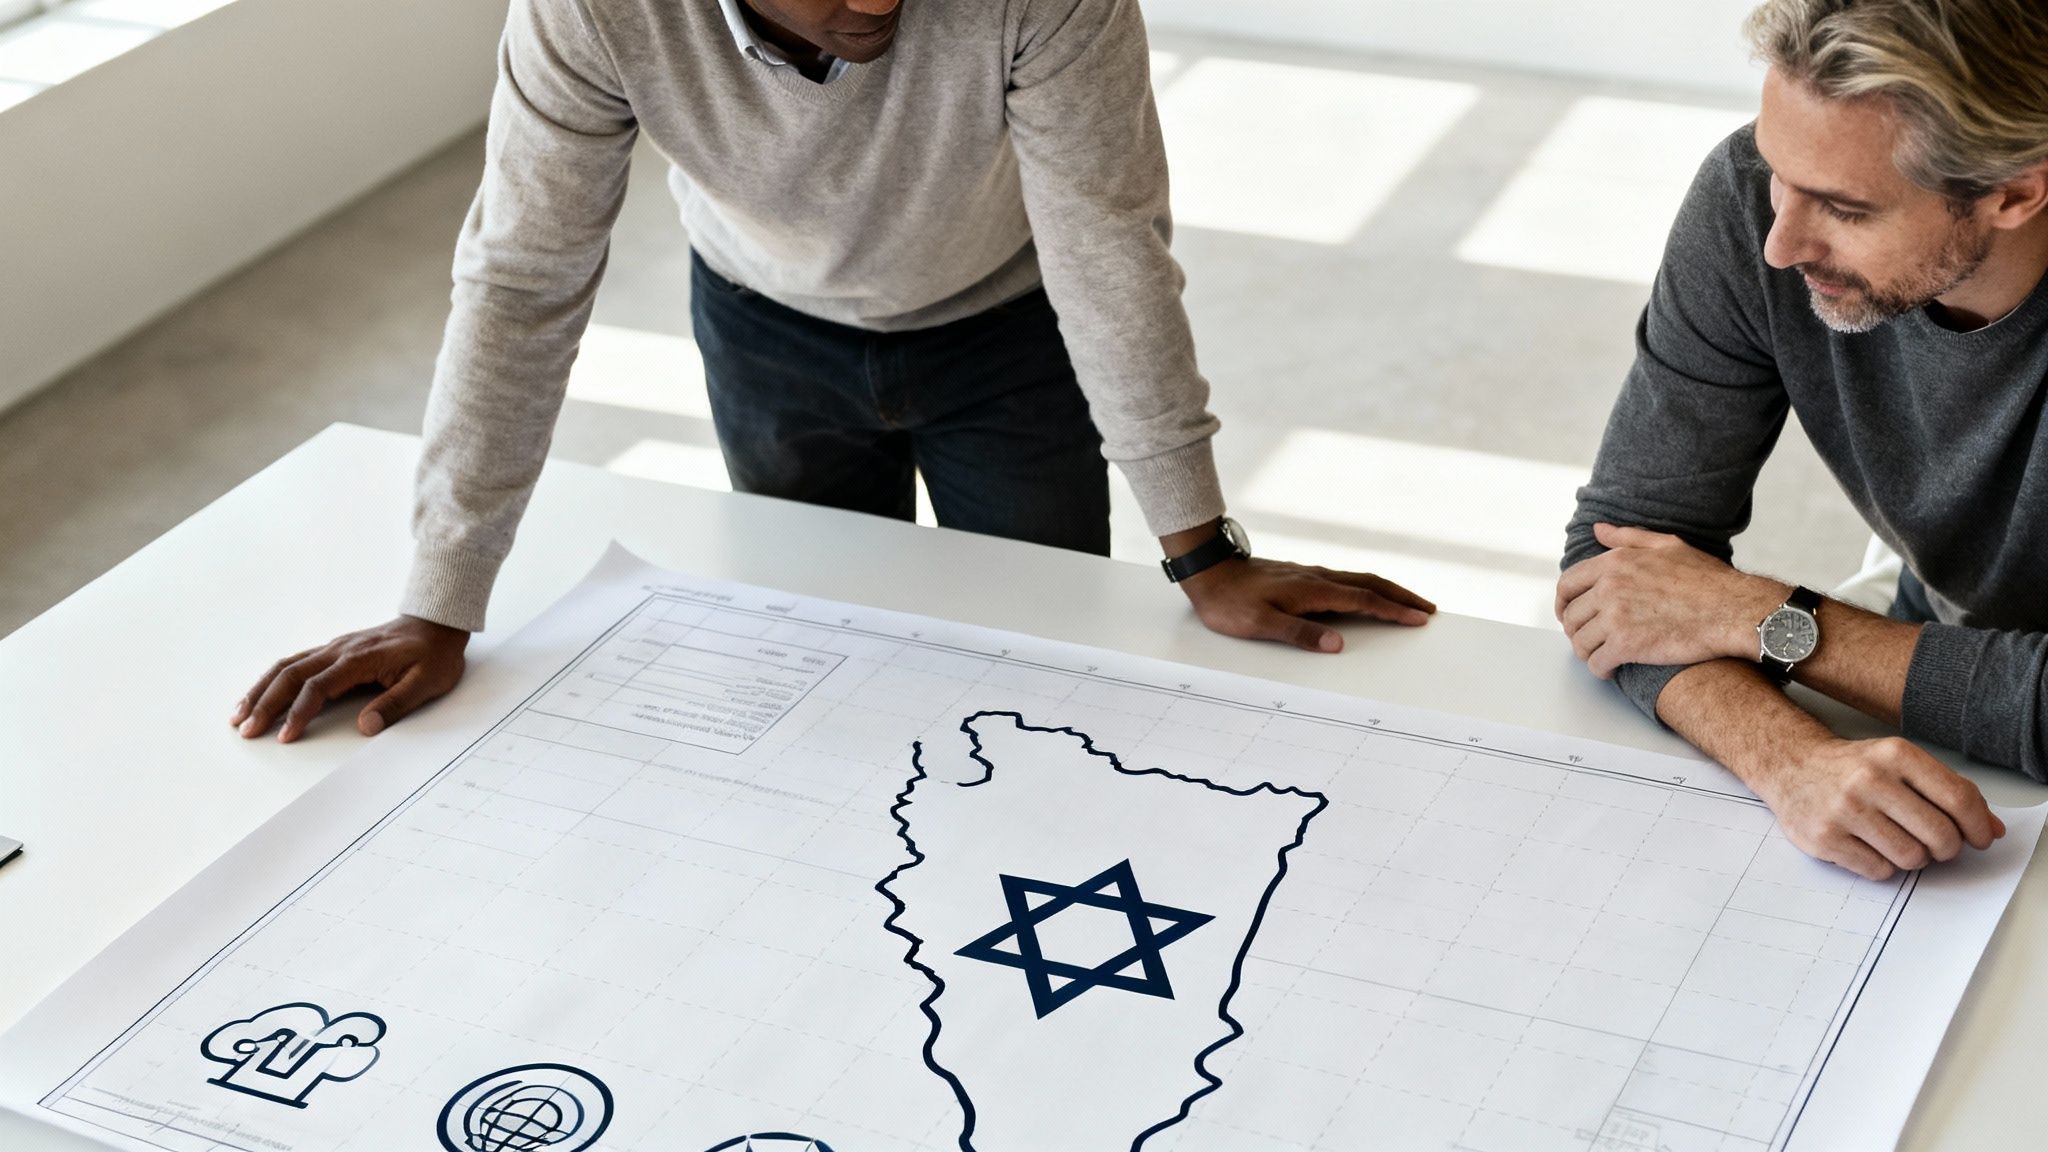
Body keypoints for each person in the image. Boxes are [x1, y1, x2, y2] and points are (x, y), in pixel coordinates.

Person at [231, 0, 1436, 745]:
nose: (875, 0)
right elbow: (520, 283)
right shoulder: (591, 9)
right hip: (764, 329)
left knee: (1036, 663)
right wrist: (442, 598)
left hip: (1010, 332)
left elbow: (1110, 253)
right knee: (826, 659)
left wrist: (1201, 548)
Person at [1557, 0, 2047, 880]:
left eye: (1846, 209)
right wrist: (1789, 760)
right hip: (1930, 687)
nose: (1780, 243)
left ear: (2015, 190)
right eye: (1781, 172)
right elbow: (1619, 567)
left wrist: (1766, 619)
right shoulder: (1755, 196)